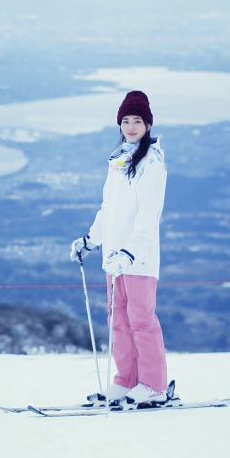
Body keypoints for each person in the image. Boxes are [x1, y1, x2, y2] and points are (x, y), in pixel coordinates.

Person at [70, 90, 171, 407]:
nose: (130, 126)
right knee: (119, 322)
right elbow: (108, 210)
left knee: (141, 321)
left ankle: (153, 384)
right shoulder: (119, 161)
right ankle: (126, 380)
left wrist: (129, 252)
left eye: (137, 120)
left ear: (148, 124)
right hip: (114, 260)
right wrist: (90, 241)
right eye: (126, 120)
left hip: (136, 260)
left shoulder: (151, 164)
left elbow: (148, 217)